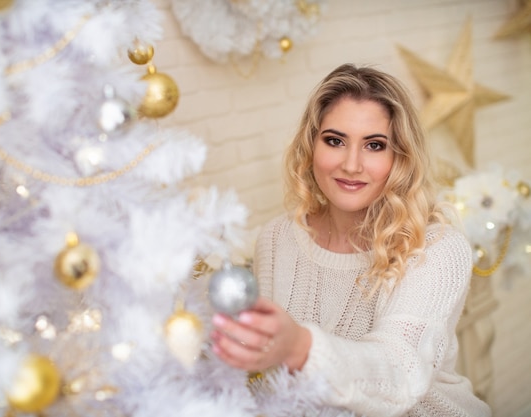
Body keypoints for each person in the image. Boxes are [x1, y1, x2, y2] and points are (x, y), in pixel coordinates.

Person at [210, 63, 491, 416]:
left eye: (374, 145)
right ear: (311, 146)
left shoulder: (436, 247)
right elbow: (276, 379)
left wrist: (301, 346)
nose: (352, 164)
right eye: (335, 140)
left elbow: (400, 374)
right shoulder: (277, 238)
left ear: (399, 157)